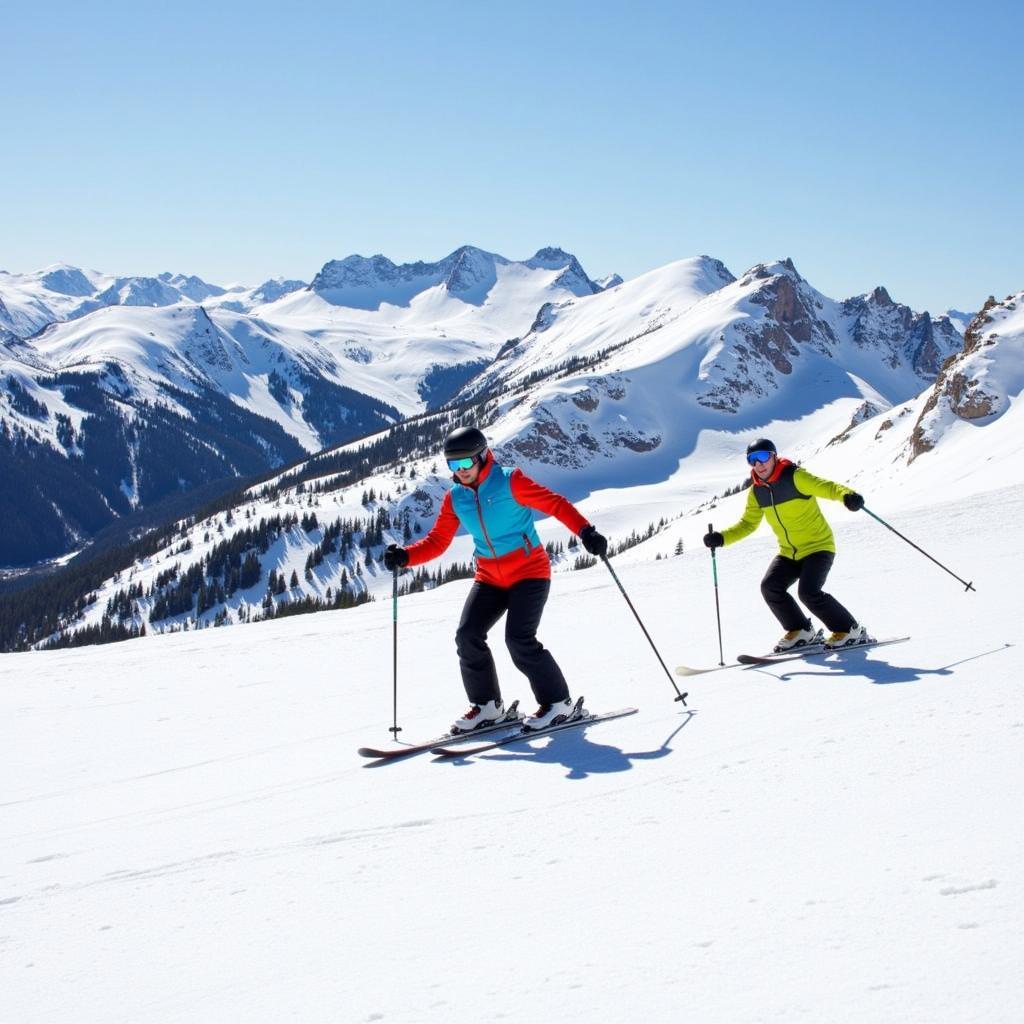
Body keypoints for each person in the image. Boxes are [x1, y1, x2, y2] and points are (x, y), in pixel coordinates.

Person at [383, 426, 608, 732]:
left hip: (529, 572)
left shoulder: (509, 481)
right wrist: (406, 557)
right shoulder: (455, 498)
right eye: (453, 465)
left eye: (465, 464)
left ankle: (559, 704)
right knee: (467, 635)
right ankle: (488, 707)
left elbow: (554, 504)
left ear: (482, 457)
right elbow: (437, 541)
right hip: (489, 576)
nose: (460, 471)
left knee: (518, 639)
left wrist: (586, 531)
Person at [703, 438, 867, 652]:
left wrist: (847, 496)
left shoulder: (795, 477)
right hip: (789, 553)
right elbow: (748, 524)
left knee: (809, 592)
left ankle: (849, 629)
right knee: (770, 587)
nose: (758, 464)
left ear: (773, 456)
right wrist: (721, 538)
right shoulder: (757, 492)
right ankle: (801, 630)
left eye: (762, 457)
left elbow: (826, 487)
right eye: (752, 460)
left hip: (818, 547)